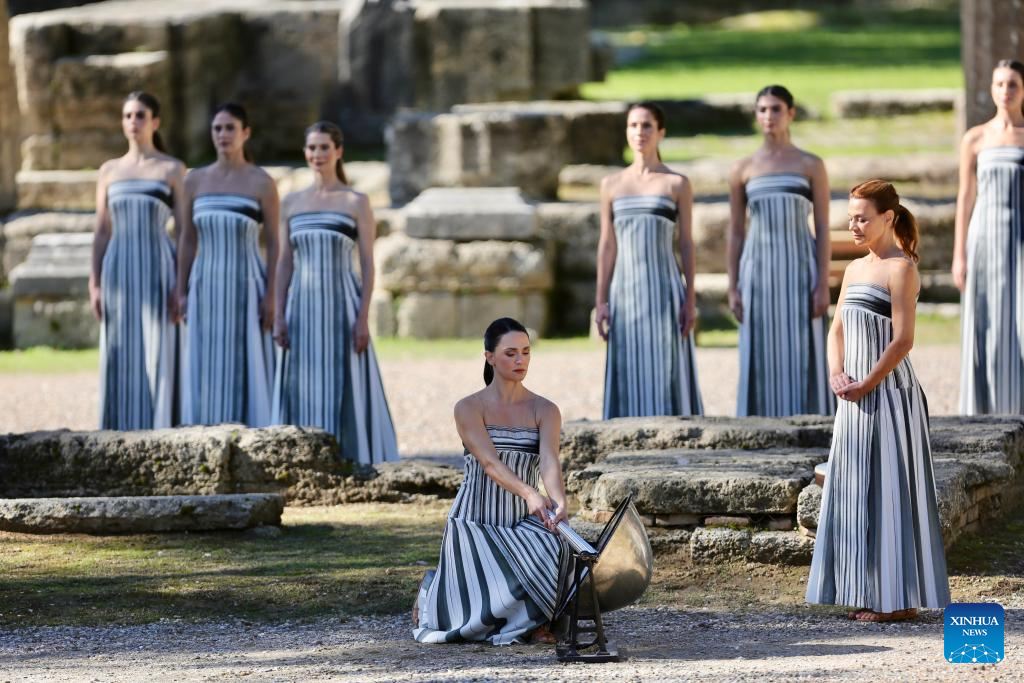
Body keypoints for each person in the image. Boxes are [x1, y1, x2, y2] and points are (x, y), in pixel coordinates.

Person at [807, 180, 950, 623]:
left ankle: (898, 600)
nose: (853, 225)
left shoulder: (901, 269)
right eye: (850, 217)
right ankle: (868, 589)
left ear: (888, 218)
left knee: (890, 489)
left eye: (862, 217)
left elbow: (903, 340)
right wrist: (837, 373)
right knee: (855, 489)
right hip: (853, 396)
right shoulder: (853, 269)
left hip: (890, 396)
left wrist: (867, 382)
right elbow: (836, 331)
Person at [414, 318, 573, 645]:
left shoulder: (545, 409)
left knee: (561, 544)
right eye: (511, 353)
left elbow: (549, 461)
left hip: (519, 520)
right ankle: (431, 590)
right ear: (489, 357)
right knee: (464, 624)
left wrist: (558, 502)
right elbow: (489, 463)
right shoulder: (469, 407)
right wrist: (530, 492)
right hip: (474, 522)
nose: (520, 361)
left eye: (526, 353)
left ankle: (534, 622)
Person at [272, 121, 398, 464]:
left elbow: (368, 265)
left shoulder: (356, 202)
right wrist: (279, 314)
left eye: (324, 147)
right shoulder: (291, 202)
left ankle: (349, 456)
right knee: (300, 379)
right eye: (312, 148)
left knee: (343, 380)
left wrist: (362, 318)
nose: (317, 155)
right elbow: (284, 262)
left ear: (338, 151)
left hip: (342, 304)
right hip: (301, 305)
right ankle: (300, 459)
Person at [728, 85, 834, 417]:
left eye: (776, 109)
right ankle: (759, 425)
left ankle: (811, 422)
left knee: (801, 347)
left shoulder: (810, 165)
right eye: (762, 110)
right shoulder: (743, 168)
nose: (768, 116)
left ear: (791, 114)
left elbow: (823, 226)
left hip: (800, 268)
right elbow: (735, 231)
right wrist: (733, 286)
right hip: (757, 270)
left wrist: (822, 282)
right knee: (760, 350)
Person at [596, 101, 703, 418]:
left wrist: (690, 298)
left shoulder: (676, 184)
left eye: (646, 126)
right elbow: (606, 244)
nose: (639, 132)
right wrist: (600, 300)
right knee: (628, 366)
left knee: (666, 366)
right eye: (633, 125)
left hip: (664, 290)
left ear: (660, 133)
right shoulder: (611, 185)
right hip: (624, 292)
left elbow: (686, 244)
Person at [175, 103, 278, 426]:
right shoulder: (194, 180)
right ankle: (202, 435)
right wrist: (181, 290)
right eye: (217, 128)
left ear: (245, 133)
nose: (223, 135)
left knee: (246, 361)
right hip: (205, 284)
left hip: (247, 284)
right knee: (205, 362)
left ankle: (251, 437)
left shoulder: (262, 182)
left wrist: (272, 294)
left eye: (230, 128)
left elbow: (275, 242)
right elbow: (188, 238)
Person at [90, 91, 185, 430]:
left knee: (157, 347)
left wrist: (181, 284)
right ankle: (116, 432)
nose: (133, 122)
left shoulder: (172, 169)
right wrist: (95, 282)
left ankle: (160, 427)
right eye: (128, 115)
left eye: (140, 115)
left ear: (155, 122)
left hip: (158, 265)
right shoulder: (109, 170)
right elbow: (102, 230)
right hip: (117, 268)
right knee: (119, 346)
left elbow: (185, 231)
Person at [955, 59, 1024, 415]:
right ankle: (985, 411)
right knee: (987, 320)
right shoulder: (976, 138)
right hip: (984, 238)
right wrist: (959, 254)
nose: (1005, 91)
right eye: (999, 84)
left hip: (1021, 241)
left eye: (1012, 84)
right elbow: (966, 196)